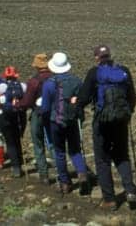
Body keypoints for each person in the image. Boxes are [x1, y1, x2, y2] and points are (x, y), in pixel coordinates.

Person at [78, 44, 136, 209]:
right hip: (121, 120)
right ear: (110, 56)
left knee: (103, 159)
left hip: (102, 122)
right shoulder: (123, 70)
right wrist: (128, 113)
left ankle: (109, 199)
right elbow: (132, 96)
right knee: (122, 155)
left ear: (97, 57)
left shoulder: (94, 73)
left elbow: (83, 98)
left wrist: (77, 106)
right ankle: (130, 191)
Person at [39, 52, 91, 195]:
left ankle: (65, 183)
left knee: (59, 151)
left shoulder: (49, 84)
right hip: (72, 120)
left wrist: (44, 119)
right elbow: (83, 99)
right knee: (75, 149)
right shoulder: (76, 81)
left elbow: (45, 107)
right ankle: (82, 174)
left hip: (56, 121)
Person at [20, 53, 53, 184]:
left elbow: (27, 102)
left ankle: (44, 175)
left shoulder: (33, 81)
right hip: (53, 113)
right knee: (53, 143)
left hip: (37, 114)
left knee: (38, 144)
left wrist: (17, 105)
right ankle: (61, 174)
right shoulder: (55, 78)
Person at [0, 66, 27, 178]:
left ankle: (16, 167)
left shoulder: (1, 87)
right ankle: (20, 162)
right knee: (17, 139)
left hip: (5, 117)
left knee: (10, 143)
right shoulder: (23, 86)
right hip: (18, 116)